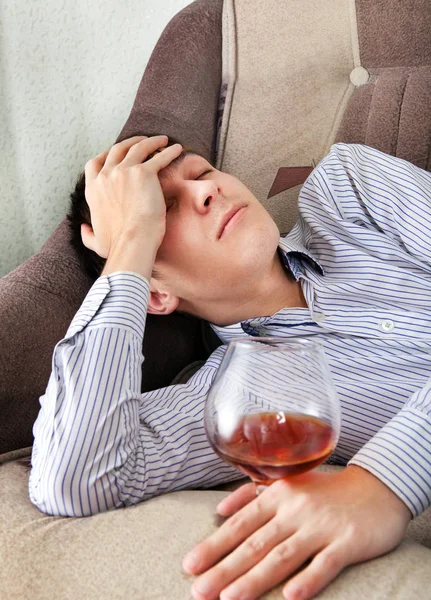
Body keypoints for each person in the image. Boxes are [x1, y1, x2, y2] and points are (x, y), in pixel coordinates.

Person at [29, 135, 431, 600]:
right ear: (156, 295)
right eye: (163, 211)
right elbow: (77, 479)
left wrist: (383, 483)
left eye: (202, 173)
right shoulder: (231, 404)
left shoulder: (349, 188)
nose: (206, 192)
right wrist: (130, 246)